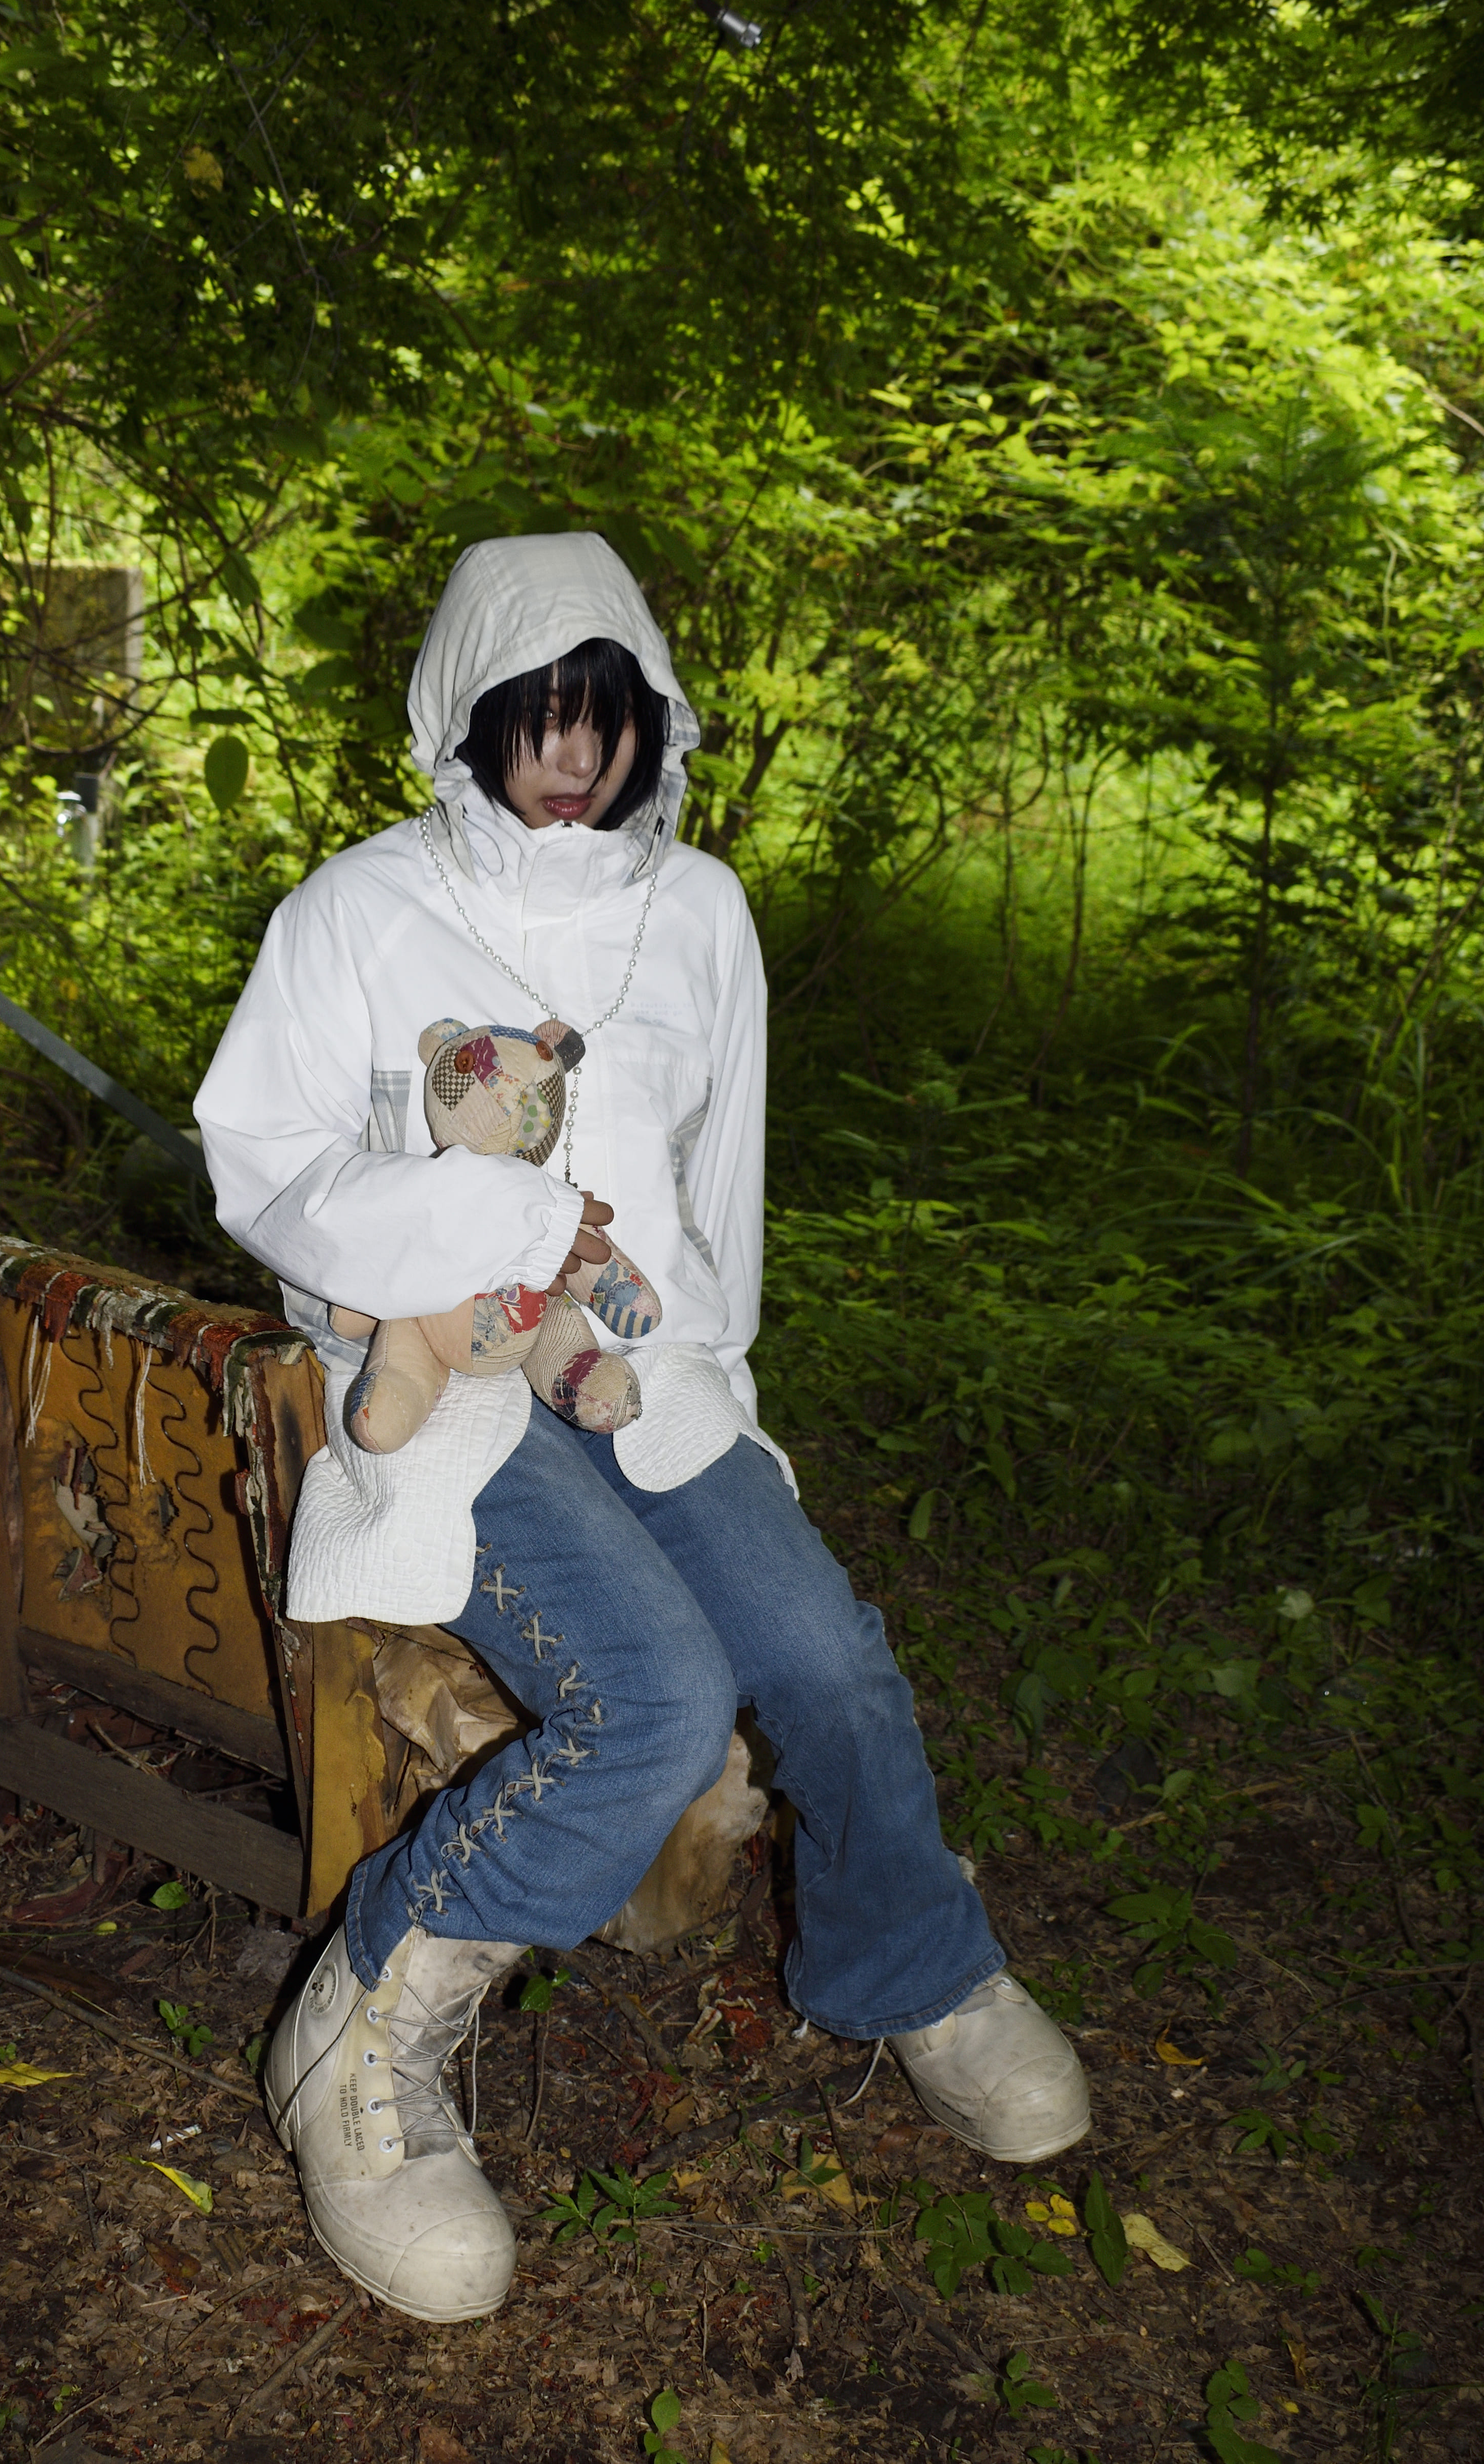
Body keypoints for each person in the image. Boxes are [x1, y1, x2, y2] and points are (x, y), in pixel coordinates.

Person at [193, 533, 1088, 2325]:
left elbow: (721, 1194)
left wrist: (715, 1390)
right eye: (538, 712)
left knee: (824, 1656)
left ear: (648, 721)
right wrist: (478, 1242)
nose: (574, 751)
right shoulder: (355, 914)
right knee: (664, 1700)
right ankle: (361, 2033)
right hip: (443, 1379)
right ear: (472, 716)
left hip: (637, 1375)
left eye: (605, 715)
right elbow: (261, 1167)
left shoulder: (702, 915)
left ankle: (915, 1959)